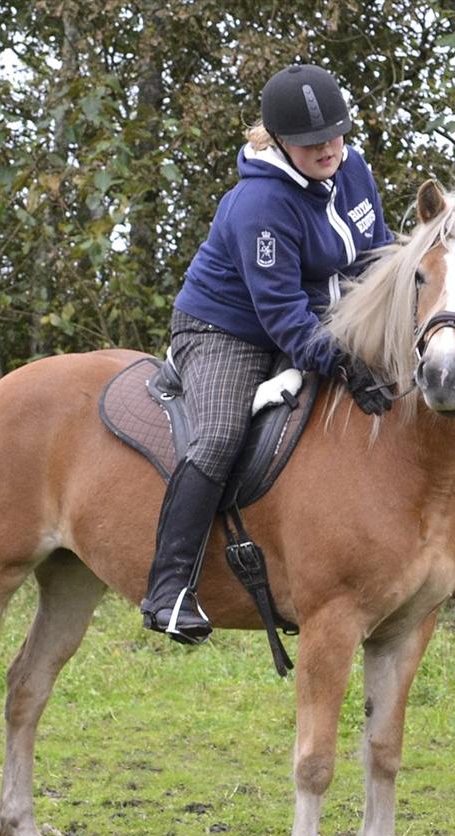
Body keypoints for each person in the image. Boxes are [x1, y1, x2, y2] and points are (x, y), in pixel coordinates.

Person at [141, 63, 395, 644]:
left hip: (313, 321)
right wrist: (344, 360)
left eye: (335, 134)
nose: (329, 149)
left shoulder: (353, 168)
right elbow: (281, 317)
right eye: (312, 143)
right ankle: (169, 588)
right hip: (225, 331)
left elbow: (375, 260)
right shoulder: (259, 204)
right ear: (280, 142)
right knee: (221, 435)